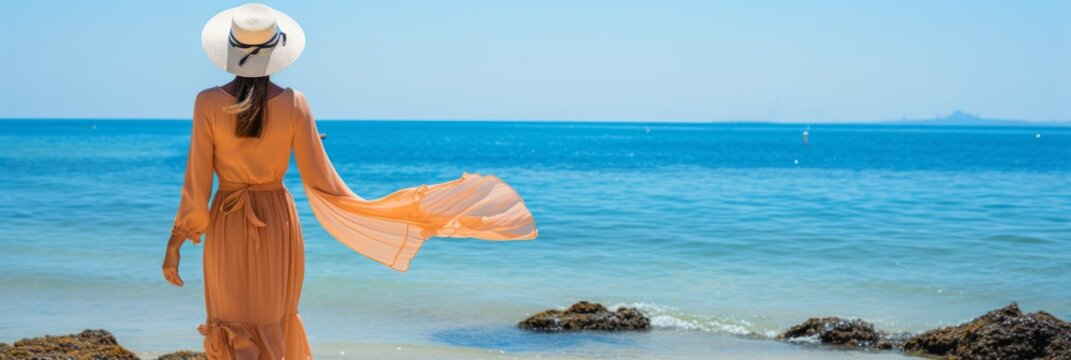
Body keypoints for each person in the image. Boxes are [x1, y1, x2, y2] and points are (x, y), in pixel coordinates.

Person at [161, 4, 538, 359]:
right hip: (277, 223)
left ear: (231, 49)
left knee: (230, 323)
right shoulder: (296, 104)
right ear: (276, 52)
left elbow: (197, 182)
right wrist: (301, 139)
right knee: (274, 320)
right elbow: (320, 179)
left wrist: (176, 242)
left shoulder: (206, 102)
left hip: (228, 223)